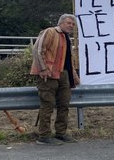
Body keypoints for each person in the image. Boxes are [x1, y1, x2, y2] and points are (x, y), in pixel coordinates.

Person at [30, 14, 80, 145]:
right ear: (61, 23)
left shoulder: (66, 38)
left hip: (63, 74)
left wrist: (74, 76)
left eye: (73, 24)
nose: (71, 26)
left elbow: (68, 60)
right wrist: (42, 69)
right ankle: (44, 136)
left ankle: (60, 134)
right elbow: (37, 49)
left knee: (64, 104)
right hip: (48, 74)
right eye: (69, 23)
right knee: (47, 104)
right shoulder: (50, 31)